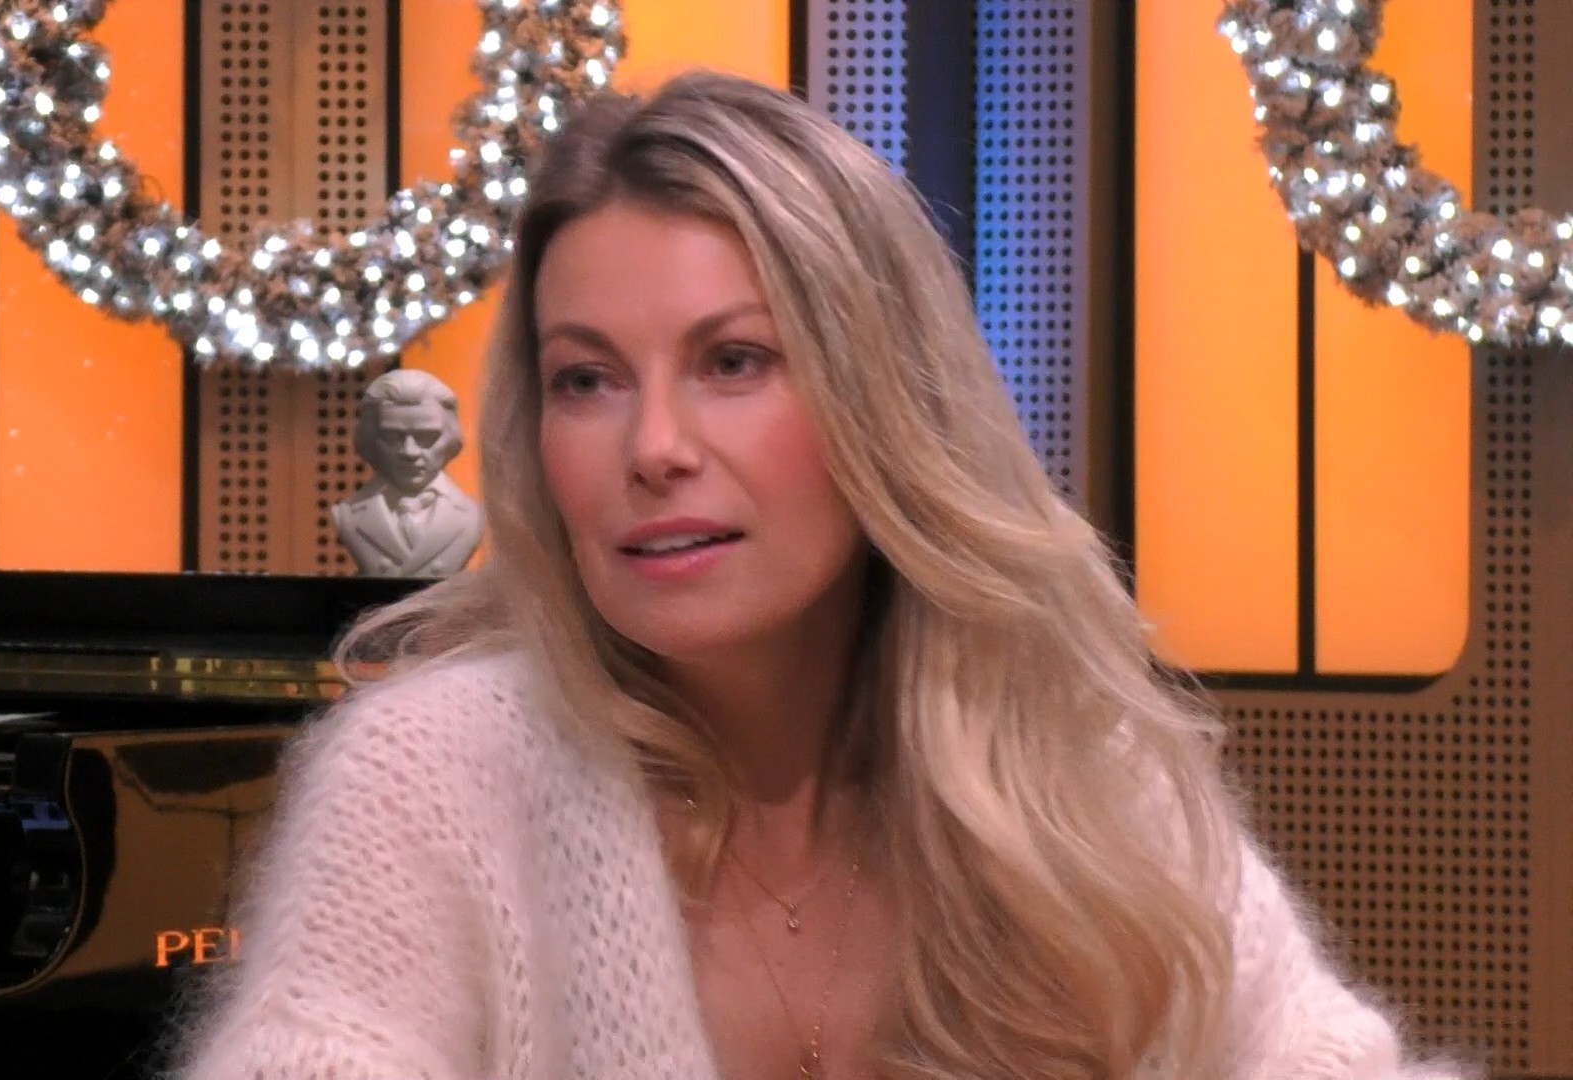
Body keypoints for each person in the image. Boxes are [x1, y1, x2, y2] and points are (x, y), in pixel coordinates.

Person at [167, 71, 1468, 1080]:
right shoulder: (433, 773)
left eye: (732, 362)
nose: (653, 448)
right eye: (587, 380)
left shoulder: (1074, 775)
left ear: (881, 399)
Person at [331, 367, 484, 577]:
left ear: (450, 438)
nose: (409, 452)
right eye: (392, 437)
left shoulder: (472, 516)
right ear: (371, 439)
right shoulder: (348, 514)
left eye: (427, 437)